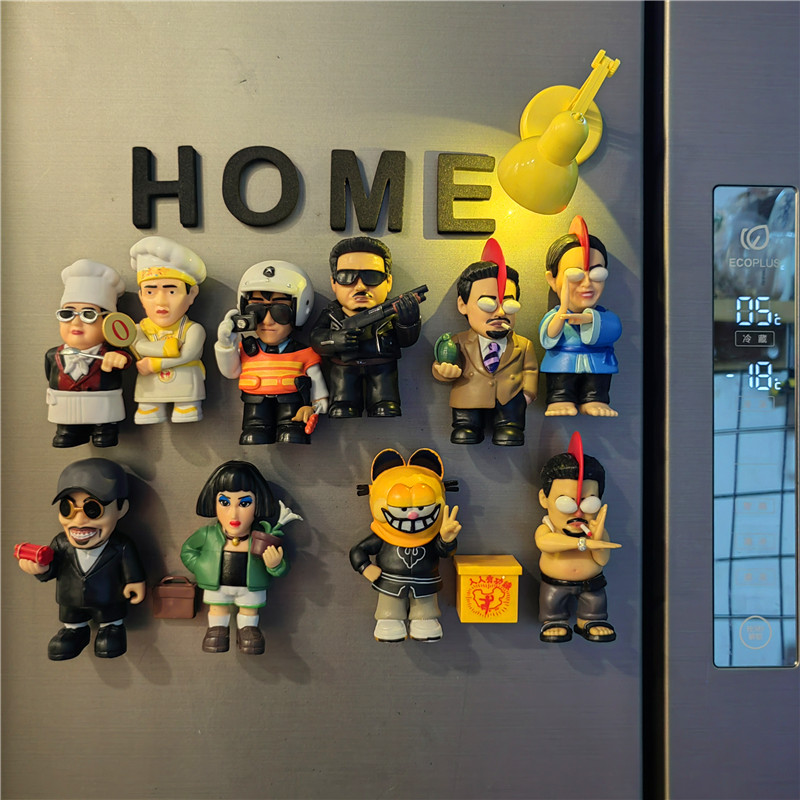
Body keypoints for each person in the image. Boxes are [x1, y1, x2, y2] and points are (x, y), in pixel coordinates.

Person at [16, 458, 146, 660]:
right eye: (67, 509)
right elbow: (52, 567)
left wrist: (135, 581)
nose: (78, 521)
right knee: (72, 617)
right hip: (71, 600)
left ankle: (111, 628)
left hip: (108, 599)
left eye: (93, 510)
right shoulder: (61, 543)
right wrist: (41, 569)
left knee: (110, 620)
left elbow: (131, 566)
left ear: (121, 508)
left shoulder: (120, 545)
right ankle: (74, 631)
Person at [180, 461, 299, 655]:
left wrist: (275, 564)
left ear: (258, 503)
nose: (233, 513)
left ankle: (248, 630)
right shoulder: (208, 535)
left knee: (249, 610)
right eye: (224, 502)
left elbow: (282, 569)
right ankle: (217, 630)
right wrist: (202, 567)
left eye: (244, 504)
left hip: (250, 587)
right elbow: (187, 551)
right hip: (218, 586)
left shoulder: (263, 538)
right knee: (218, 609)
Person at [349, 448, 460, 642]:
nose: (413, 515)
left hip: (426, 581)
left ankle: (425, 619)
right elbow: (358, 550)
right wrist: (365, 567)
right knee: (389, 604)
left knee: (426, 605)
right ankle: (389, 619)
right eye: (402, 508)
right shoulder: (382, 536)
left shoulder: (434, 533)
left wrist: (446, 540)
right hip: (390, 582)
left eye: (421, 507)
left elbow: (444, 552)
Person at [432, 244, 538, 446]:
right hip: (469, 397)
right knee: (466, 422)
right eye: (488, 304)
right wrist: (442, 370)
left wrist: (527, 395)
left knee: (511, 423)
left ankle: (509, 426)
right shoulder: (458, 341)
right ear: (463, 305)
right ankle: (467, 426)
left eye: (508, 304)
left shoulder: (524, 345)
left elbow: (531, 370)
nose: (500, 313)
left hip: (510, 399)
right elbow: (443, 360)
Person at [215, 260, 328, 445]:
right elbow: (231, 372)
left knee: (292, 430)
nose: (267, 321)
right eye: (256, 311)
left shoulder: (304, 353)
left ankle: (290, 427)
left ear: (299, 310)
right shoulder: (247, 349)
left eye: (280, 311)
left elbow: (317, 383)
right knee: (254, 430)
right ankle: (257, 427)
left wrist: (315, 407)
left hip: (292, 405)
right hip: (255, 404)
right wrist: (225, 343)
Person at [310, 236, 421, 418]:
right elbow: (316, 338)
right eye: (347, 277)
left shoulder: (390, 311)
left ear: (388, 282)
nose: (360, 286)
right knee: (343, 399)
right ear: (334, 283)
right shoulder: (332, 314)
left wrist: (409, 322)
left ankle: (383, 401)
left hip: (382, 367)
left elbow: (406, 341)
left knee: (385, 399)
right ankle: (344, 402)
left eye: (372, 276)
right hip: (343, 368)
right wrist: (335, 340)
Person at [535, 440, 621, 643]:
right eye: (566, 503)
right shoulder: (548, 527)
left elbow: (602, 560)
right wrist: (583, 544)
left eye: (589, 502)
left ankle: (590, 620)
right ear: (544, 499)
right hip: (555, 584)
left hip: (591, 584)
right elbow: (545, 543)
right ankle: (554, 620)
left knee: (595, 603)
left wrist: (598, 540)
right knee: (551, 603)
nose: (578, 513)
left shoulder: (595, 530)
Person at [539, 216, 621, 417]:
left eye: (596, 274)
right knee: (561, 381)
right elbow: (548, 337)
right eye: (575, 275)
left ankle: (595, 398)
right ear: (552, 279)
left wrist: (590, 319)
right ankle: (559, 398)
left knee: (597, 382)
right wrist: (563, 309)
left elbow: (614, 329)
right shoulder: (554, 315)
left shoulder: (604, 315)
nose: (586, 284)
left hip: (597, 361)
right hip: (563, 361)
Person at [45, 259, 132, 448]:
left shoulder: (108, 353)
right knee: (67, 424)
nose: (76, 323)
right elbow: (49, 374)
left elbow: (126, 360)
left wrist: (119, 358)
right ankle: (68, 431)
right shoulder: (53, 355)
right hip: (65, 404)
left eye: (88, 315)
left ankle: (104, 430)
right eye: (68, 314)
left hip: (103, 405)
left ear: (108, 322)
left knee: (104, 422)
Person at [130, 235, 207, 424]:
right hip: (149, 390)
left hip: (186, 387)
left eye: (171, 291)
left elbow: (187, 355)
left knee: (187, 411)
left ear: (192, 294)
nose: (161, 302)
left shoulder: (193, 330)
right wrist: (168, 348)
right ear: (141, 296)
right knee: (147, 412)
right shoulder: (138, 329)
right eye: (150, 292)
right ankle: (150, 408)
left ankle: (186, 407)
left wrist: (155, 364)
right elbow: (138, 346)